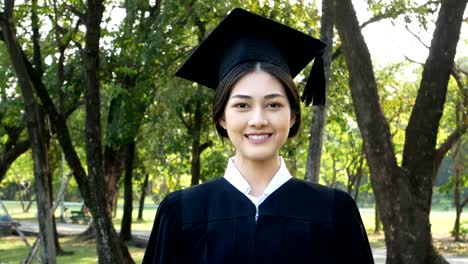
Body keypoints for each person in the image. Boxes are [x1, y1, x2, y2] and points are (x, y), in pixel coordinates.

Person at [143, 8, 374, 264]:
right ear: (222, 117)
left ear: (293, 116)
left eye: (273, 105)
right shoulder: (180, 213)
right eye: (242, 105)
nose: (258, 120)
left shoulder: (334, 211)